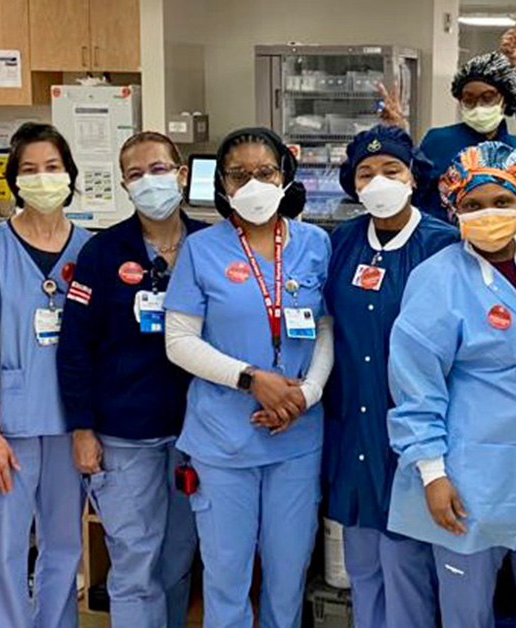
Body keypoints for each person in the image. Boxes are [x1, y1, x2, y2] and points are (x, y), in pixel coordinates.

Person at [387, 141, 516, 628]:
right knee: (466, 614)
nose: (489, 214)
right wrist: (433, 474)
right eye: (473, 205)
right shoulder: (437, 279)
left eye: (502, 201)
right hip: (467, 474)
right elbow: (416, 383)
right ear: (454, 210)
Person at [163, 127, 333, 628]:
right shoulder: (202, 249)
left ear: (285, 176)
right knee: (226, 578)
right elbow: (178, 340)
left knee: (288, 577)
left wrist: (308, 394)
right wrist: (250, 378)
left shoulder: (315, 244)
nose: (253, 184)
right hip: (224, 442)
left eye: (265, 172)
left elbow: (326, 328)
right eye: (239, 175)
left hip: (297, 437)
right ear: (222, 185)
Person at [57, 131, 203, 628]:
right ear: (124, 184)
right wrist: (82, 429)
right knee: (135, 560)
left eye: (159, 169)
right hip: (124, 434)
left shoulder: (209, 244)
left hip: (196, 433)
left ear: (181, 174)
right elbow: (74, 346)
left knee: (179, 556)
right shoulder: (102, 253)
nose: (150, 182)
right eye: (137, 174)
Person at [323, 126, 458, 628]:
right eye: (366, 173)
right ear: (353, 185)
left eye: (391, 170)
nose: (379, 181)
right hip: (352, 425)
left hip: (410, 432)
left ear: (412, 177)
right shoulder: (344, 241)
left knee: (406, 567)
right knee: (360, 565)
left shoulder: (441, 244)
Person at [0, 123, 92, 628]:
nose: (43, 178)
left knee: (64, 545)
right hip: (10, 424)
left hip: (69, 422)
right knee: (4, 547)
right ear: (14, 180)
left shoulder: (89, 249)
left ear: (69, 174)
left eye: (53, 167)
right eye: (30, 169)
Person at [410, 39, 516, 221]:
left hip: (499, 239)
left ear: (505, 99)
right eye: (469, 99)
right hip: (442, 240)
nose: (478, 106)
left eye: (487, 98)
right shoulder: (438, 141)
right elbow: (413, 191)